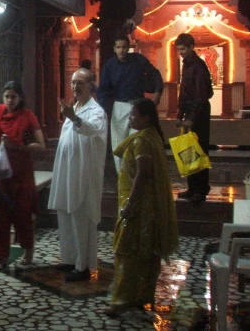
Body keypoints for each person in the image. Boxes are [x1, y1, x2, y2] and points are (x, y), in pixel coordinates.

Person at [108, 98, 178, 316]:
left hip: (138, 207)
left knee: (126, 252)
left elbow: (142, 174)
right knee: (145, 253)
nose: (130, 119)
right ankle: (141, 296)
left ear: (146, 118)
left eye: (133, 115)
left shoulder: (142, 141)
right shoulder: (151, 136)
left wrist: (131, 204)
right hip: (147, 208)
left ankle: (121, 301)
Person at [48, 68, 108, 282]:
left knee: (81, 218)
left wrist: (74, 118)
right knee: (65, 214)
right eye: (73, 82)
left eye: (80, 82)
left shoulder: (96, 111)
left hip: (83, 175)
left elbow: (91, 128)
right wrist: (72, 115)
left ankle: (82, 266)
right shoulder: (74, 108)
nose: (75, 86)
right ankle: (69, 259)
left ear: (91, 84)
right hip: (67, 172)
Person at [0, 81, 46, 271]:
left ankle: (28, 249)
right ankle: (1, 257)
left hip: (20, 176)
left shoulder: (28, 117)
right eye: (7, 96)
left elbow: (41, 145)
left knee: (23, 215)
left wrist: (17, 146)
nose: (10, 100)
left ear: (20, 98)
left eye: (14, 97)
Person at [97, 35, 163, 176]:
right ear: (114, 49)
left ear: (129, 48)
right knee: (118, 143)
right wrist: (103, 110)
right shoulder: (109, 66)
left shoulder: (138, 60)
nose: (121, 50)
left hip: (138, 104)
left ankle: (138, 175)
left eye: (124, 47)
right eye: (119, 47)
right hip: (119, 105)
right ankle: (123, 177)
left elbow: (155, 74)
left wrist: (157, 92)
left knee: (138, 142)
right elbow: (103, 90)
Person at [174, 32, 213, 203]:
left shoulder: (198, 66)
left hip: (199, 113)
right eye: (179, 50)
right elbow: (183, 92)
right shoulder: (186, 65)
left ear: (191, 47)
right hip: (190, 111)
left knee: (200, 149)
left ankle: (201, 189)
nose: (180, 52)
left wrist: (192, 117)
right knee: (188, 150)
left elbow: (201, 95)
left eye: (183, 49)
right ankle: (192, 187)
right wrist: (180, 114)